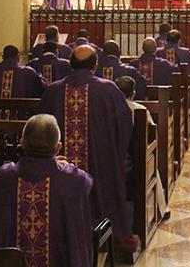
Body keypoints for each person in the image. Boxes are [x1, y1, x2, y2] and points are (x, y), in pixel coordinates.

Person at [35, 45, 139, 253]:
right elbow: (126, 124)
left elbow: (40, 125)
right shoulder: (108, 89)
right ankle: (107, 231)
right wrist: (113, 154)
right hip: (100, 165)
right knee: (106, 178)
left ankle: (59, 229)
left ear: (70, 64)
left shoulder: (53, 90)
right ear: (95, 65)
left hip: (58, 167)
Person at [0, 114, 97, 267]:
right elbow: (88, 183)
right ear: (58, 147)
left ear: (21, 143)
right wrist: (64, 166)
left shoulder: (5, 176)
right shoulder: (74, 179)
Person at [115, 76, 169, 220]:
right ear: (133, 93)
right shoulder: (140, 109)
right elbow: (152, 138)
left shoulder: (107, 109)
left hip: (110, 161)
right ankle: (161, 210)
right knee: (150, 162)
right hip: (133, 164)